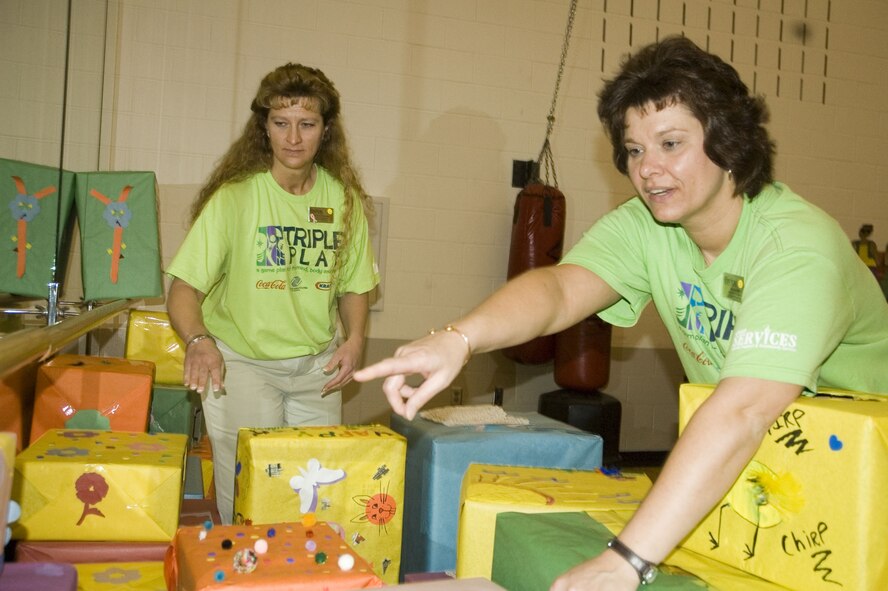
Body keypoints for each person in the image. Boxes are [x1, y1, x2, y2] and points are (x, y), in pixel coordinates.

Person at [354, 36, 888, 590]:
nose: (649, 170)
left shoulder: (794, 247)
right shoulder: (649, 227)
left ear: (728, 142)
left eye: (671, 143)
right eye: (635, 150)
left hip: (869, 475)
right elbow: (560, 291)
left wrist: (627, 559)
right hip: (777, 471)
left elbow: (744, 410)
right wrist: (458, 338)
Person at [166, 63, 379, 524]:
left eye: (307, 124)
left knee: (314, 494)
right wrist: (200, 342)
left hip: (315, 368)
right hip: (242, 363)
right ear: (264, 127)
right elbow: (183, 289)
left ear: (326, 130)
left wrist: (355, 338)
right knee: (248, 489)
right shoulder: (236, 198)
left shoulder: (343, 202)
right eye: (281, 123)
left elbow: (354, 285)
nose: (294, 138)